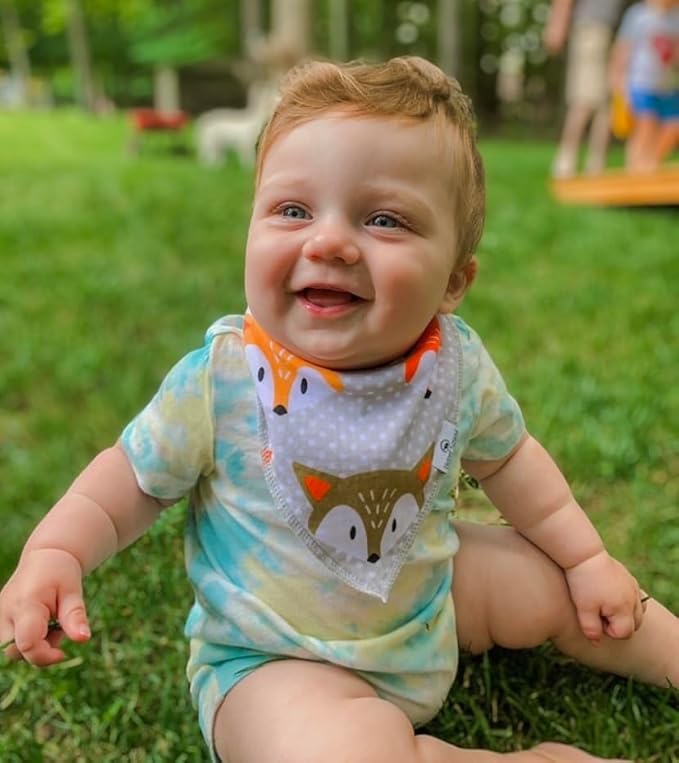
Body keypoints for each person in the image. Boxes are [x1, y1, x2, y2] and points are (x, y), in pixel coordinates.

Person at [1, 57, 677, 763]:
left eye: (384, 219)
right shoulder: (222, 379)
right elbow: (129, 481)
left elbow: (510, 461)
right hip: (274, 664)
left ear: (453, 281)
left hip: (427, 597)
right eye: (293, 210)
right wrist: (57, 551)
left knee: (553, 579)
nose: (326, 241)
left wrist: (587, 558)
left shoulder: (454, 365)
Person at [544, 0, 626, 177]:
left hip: (615, 31)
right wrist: (557, 25)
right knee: (585, 99)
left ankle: (596, 164)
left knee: (608, 103)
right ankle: (566, 161)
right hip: (592, 28)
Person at [609, 0, 679, 171]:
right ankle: (636, 168)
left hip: (668, 85)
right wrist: (617, 81)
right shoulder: (638, 15)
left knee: (673, 126)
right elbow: (622, 49)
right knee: (645, 127)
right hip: (641, 83)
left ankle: (650, 164)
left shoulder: (676, 17)